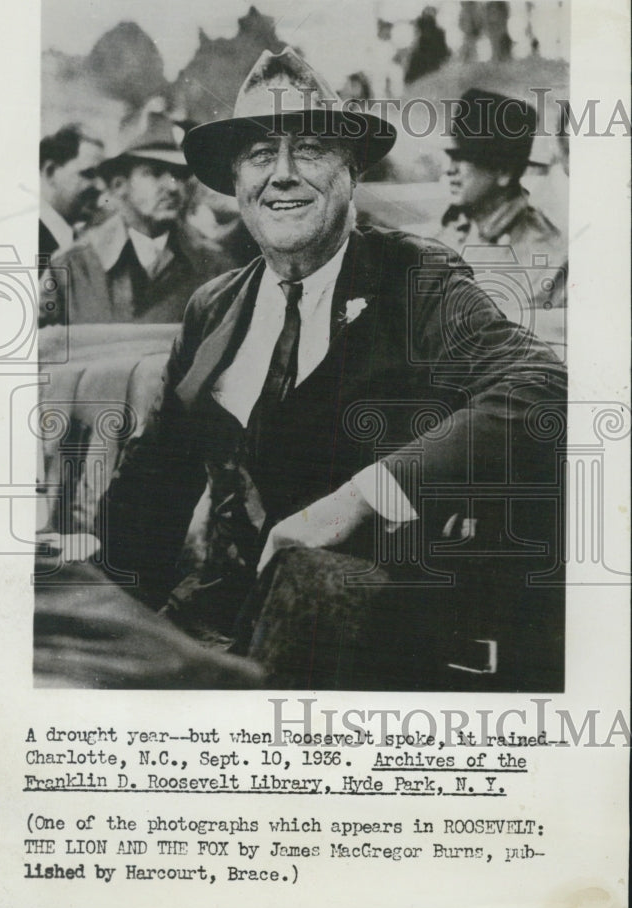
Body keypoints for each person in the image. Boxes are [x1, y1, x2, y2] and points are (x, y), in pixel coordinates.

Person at [98, 48, 566, 691]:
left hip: (358, 643)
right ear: (236, 183)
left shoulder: (416, 278)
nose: (282, 175)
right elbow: (153, 485)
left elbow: (541, 387)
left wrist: (356, 501)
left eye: (311, 150)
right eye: (260, 155)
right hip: (216, 625)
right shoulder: (214, 307)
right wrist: (105, 610)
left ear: (352, 171)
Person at [39, 115, 207, 326]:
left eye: (179, 174)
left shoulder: (213, 265)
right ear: (119, 185)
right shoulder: (71, 267)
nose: (173, 187)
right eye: (155, 173)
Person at [436, 88, 566, 309]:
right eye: (450, 156)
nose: (449, 169)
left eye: (463, 157)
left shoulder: (545, 259)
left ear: (504, 171)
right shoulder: (452, 231)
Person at [38, 125, 104, 274]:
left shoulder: (78, 242)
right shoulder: (25, 240)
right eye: (88, 174)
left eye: (103, 176)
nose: (100, 187)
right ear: (50, 172)